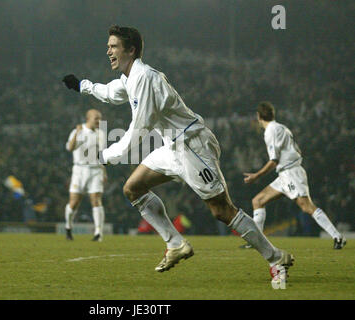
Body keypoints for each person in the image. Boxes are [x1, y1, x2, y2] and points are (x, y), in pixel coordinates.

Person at [62, 25, 293, 288]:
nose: (108, 50)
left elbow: (138, 130)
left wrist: (105, 155)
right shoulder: (130, 77)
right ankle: (176, 244)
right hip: (173, 147)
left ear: (131, 50)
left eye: (114, 46)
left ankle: (276, 259)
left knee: (222, 210)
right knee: (133, 188)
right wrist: (83, 86)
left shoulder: (145, 78)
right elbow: (112, 93)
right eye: (108, 46)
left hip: (193, 146)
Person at [242, 101, 346, 249]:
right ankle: (257, 241)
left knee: (306, 206)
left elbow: (273, 160)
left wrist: (256, 176)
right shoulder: (283, 128)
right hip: (286, 173)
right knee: (258, 201)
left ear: (258, 116)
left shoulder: (270, 131)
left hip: (291, 173)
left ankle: (337, 236)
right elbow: (298, 151)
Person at [64, 109, 108, 241]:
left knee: (96, 200)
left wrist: (104, 171)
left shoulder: (101, 133)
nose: (99, 121)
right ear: (88, 118)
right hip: (79, 170)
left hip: (96, 170)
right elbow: (69, 148)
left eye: (100, 118)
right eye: (96, 118)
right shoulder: (78, 130)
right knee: (74, 203)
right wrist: (77, 134)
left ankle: (98, 233)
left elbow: (101, 155)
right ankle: (68, 227)